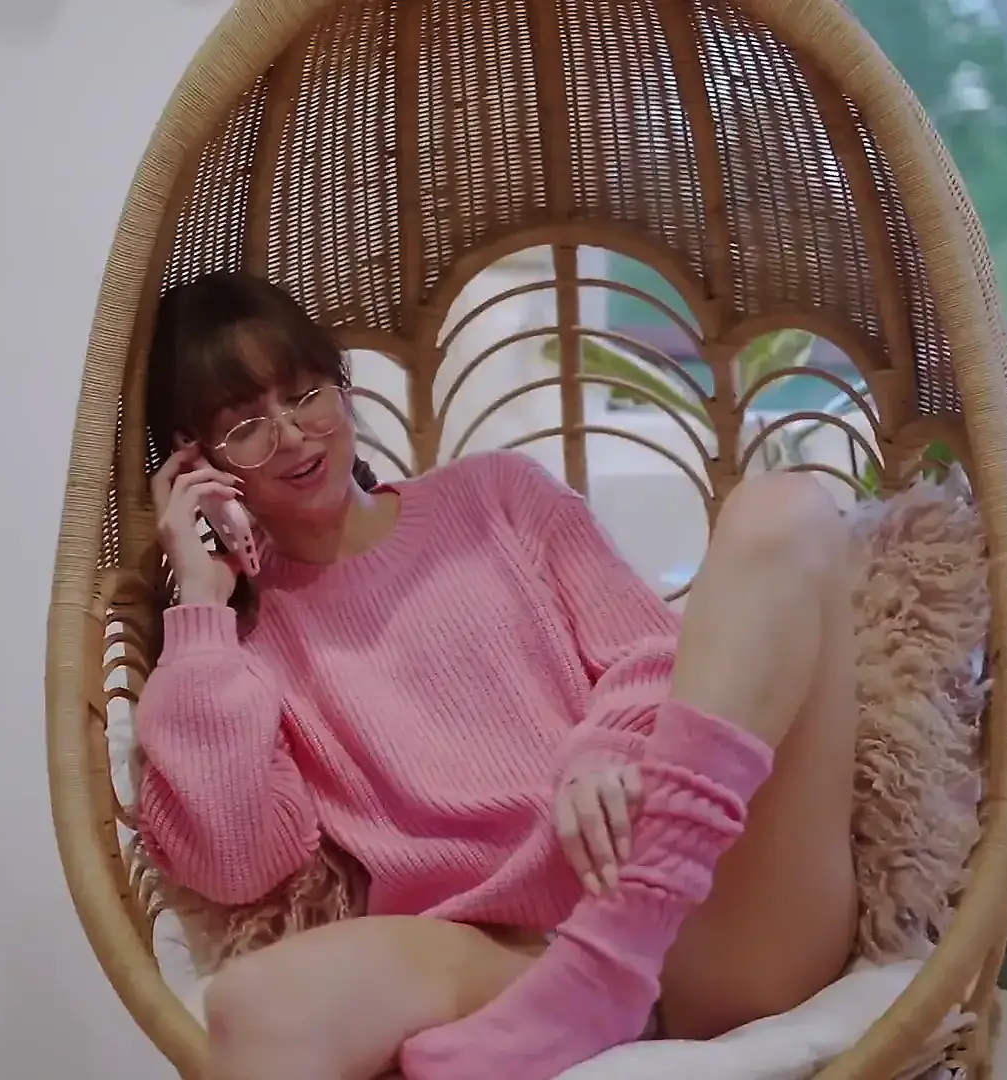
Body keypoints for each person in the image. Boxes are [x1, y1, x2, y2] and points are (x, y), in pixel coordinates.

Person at [136, 270, 861, 1080]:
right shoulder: (240, 648)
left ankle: (615, 952)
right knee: (249, 1007)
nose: (294, 434)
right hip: (504, 972)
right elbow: (236, 862)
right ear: (199, 464)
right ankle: (591, 981)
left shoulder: (497, 496)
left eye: (306, 394)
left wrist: (605, 747)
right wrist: (200, 603)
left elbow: (654, 656)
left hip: (701, 913)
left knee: (785, 511)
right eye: (245, 426)